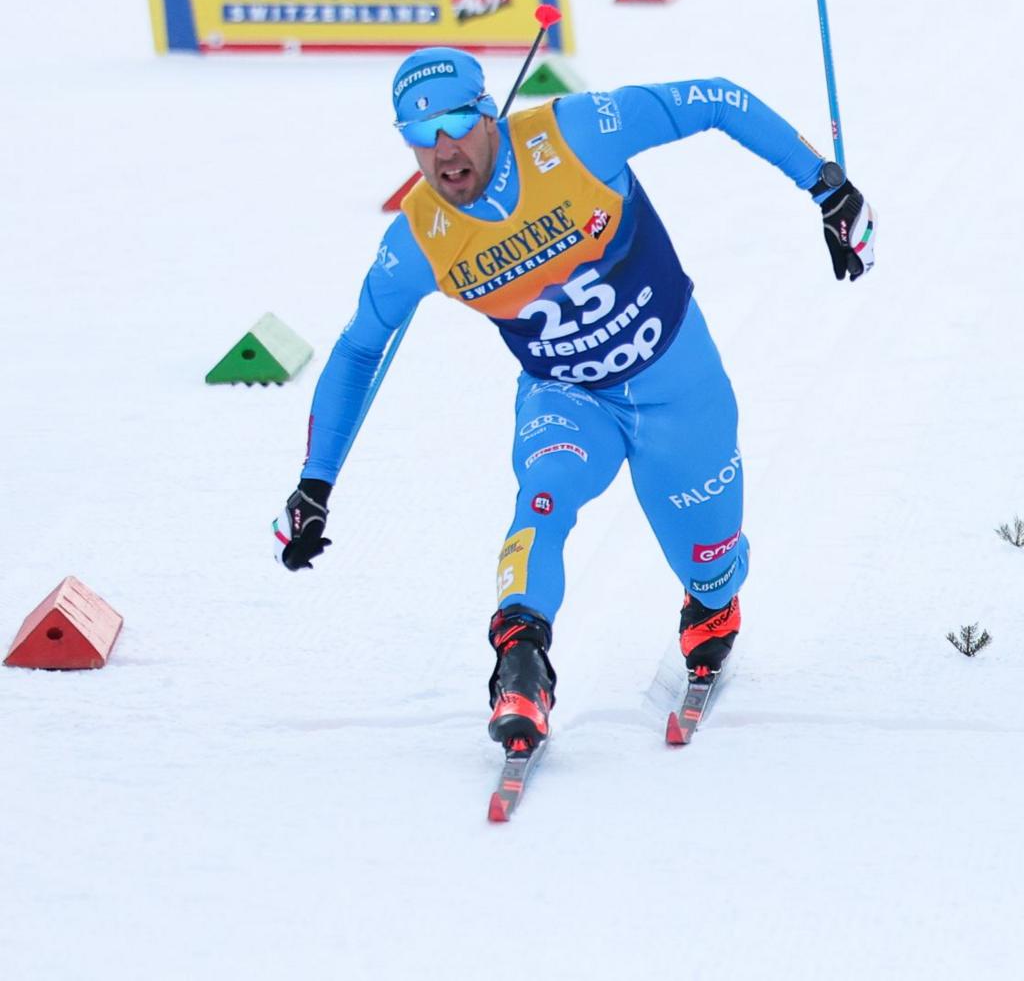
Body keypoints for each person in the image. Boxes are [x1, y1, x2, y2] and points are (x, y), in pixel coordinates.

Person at [271, 51, 876, 756]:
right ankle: (520, 665)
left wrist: (827, 187)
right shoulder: (417, 242)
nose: (443, 150)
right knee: (543, 499)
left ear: (488, 112)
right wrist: (315, 484)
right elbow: (356, 350)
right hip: (567, 397)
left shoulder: (574, 136)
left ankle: (711, 604)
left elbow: (718, 98)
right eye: (419, 131)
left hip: (676, 383)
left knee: (710, 560)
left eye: (457, 123)